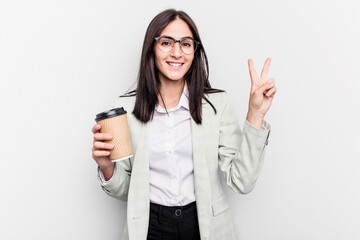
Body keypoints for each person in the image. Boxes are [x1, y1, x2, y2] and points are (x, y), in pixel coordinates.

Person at [91, 8, 276, 240]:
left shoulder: (216, 105)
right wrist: (107, 166)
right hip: (149, 227)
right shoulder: (126, 109)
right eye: (167, 43)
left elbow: (242, 181)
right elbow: (127, 190)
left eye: (186, 44)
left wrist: (255, 114)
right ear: (152, 48)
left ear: (195, 51)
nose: (177, 52)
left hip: (203, 225)